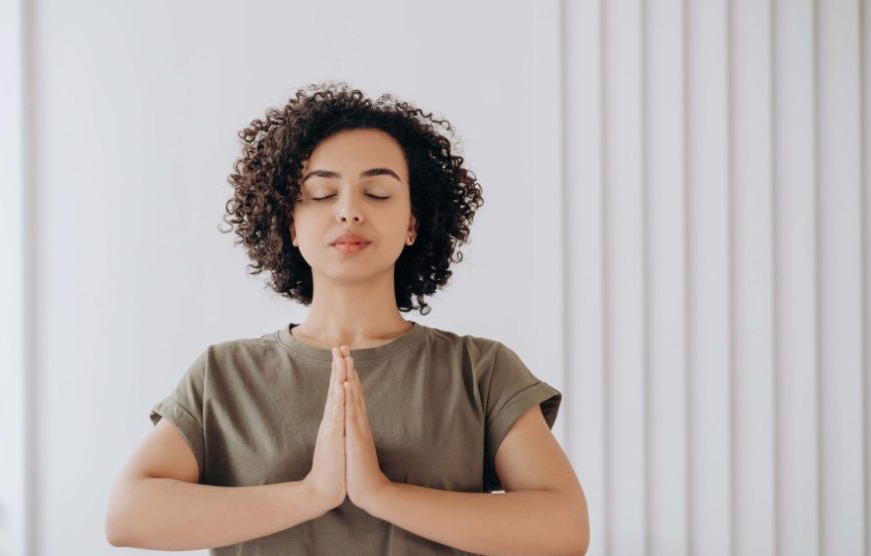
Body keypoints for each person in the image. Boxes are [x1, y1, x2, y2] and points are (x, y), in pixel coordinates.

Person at [105, 82, 589, 555]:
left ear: (413, 223)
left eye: (377, 193)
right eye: (321, 194)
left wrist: (382, 494)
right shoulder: (224, 375)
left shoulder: (480, 371)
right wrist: (312, 493)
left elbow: (564, 529)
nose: (349, 211)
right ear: (289, 223)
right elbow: (128, 516)